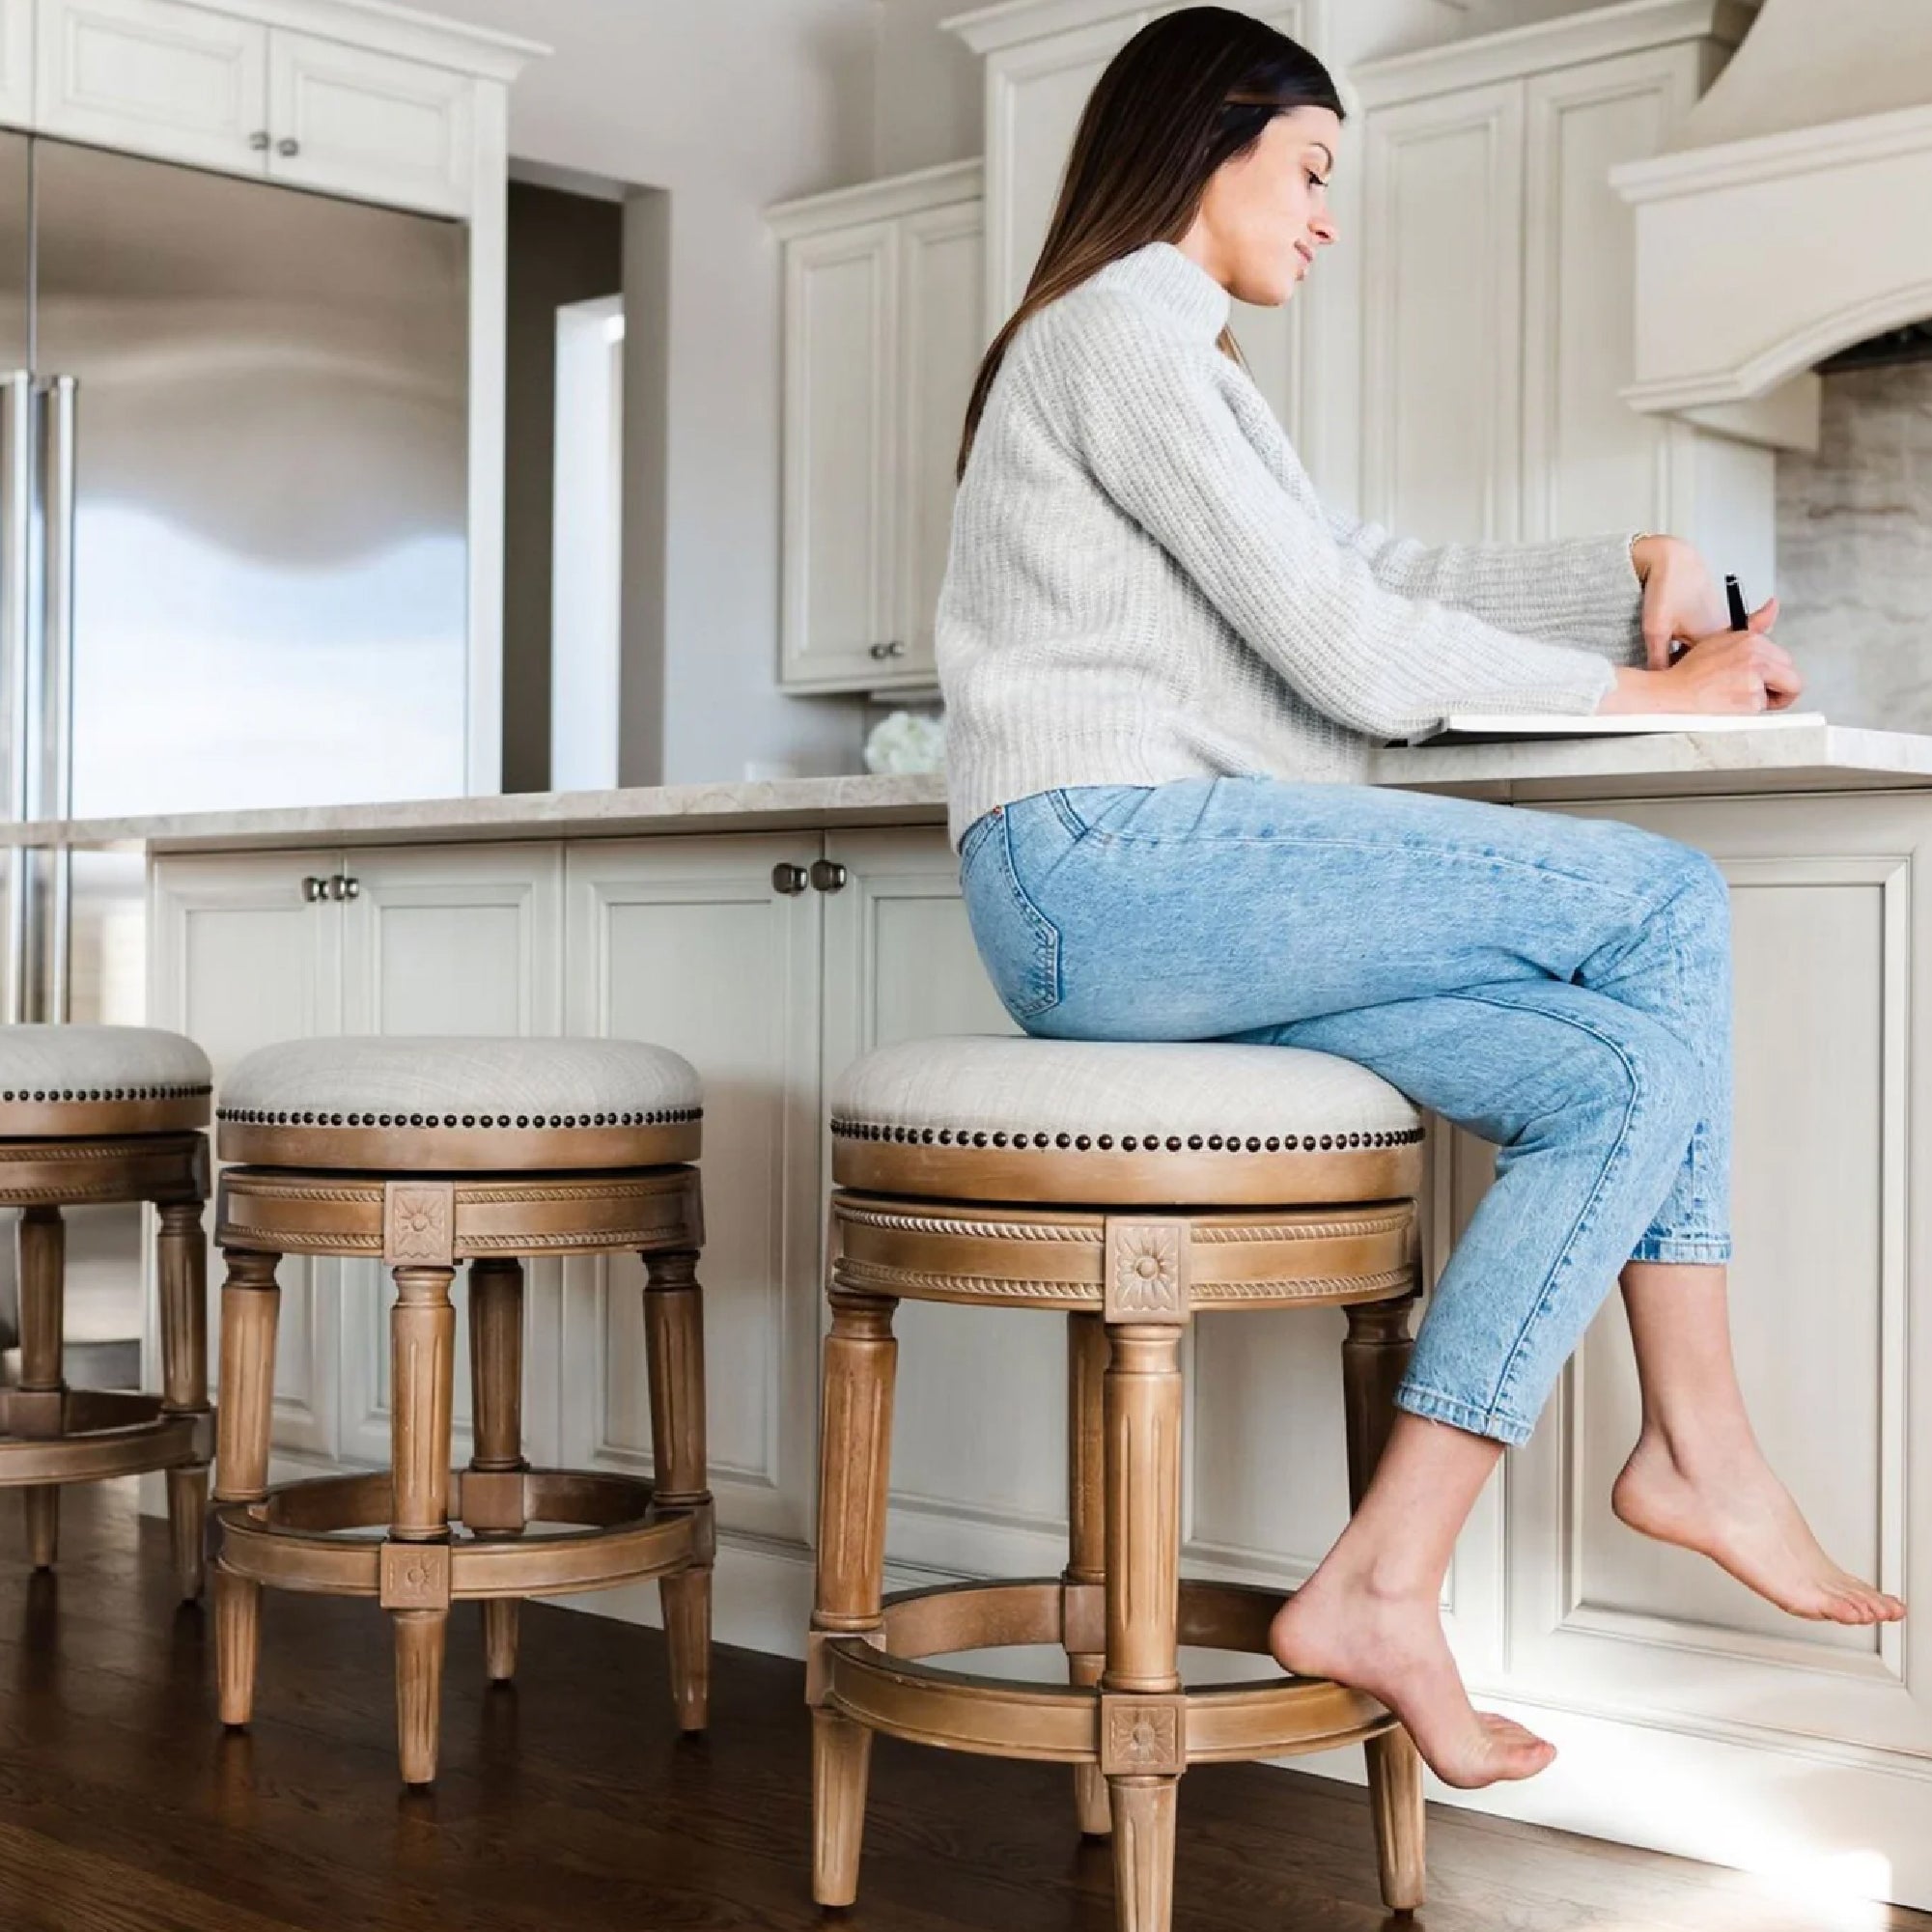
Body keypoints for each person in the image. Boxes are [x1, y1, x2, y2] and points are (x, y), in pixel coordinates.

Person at [935, 3, 1904, 1794]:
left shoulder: (1168, 359)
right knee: (1668, 899)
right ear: (1209, 140)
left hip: (1152, 903)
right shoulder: (1123, 332)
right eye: (1308, 170)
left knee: (1610, 1080)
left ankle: (1383, 1579)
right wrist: (1659, 691)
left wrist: (1622, 574)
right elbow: (1353, 651)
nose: (1322, 214)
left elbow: (1348, 567)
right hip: (1107, 870)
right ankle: (1700, 1447)